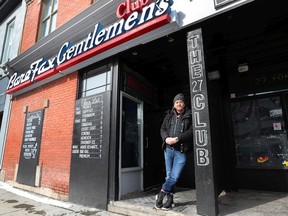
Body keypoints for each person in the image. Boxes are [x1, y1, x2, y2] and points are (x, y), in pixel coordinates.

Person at [155, 93, 193, 210]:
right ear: (174, 104)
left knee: (174, 176)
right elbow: (163, 129)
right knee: (169, 176)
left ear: (184, 103)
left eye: (180, 102)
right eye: (176, 102)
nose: (178, 103)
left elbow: (192, 131)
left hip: (181, 151)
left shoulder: (189, 114)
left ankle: (161, 193)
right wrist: (166, 138)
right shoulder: (169, 116)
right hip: (168, 150)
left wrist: (177, 138)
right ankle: (170, 199)